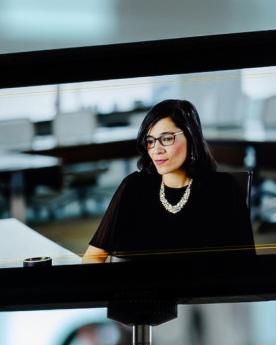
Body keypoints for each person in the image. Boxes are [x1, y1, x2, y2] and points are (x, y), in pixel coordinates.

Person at [83, 98, 254, 261]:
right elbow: (94, 256)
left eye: (166, 139)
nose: (156, 150)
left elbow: (244, 265)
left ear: (191, 138)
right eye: (150, 141)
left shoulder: (223, 188)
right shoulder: (134, 187)